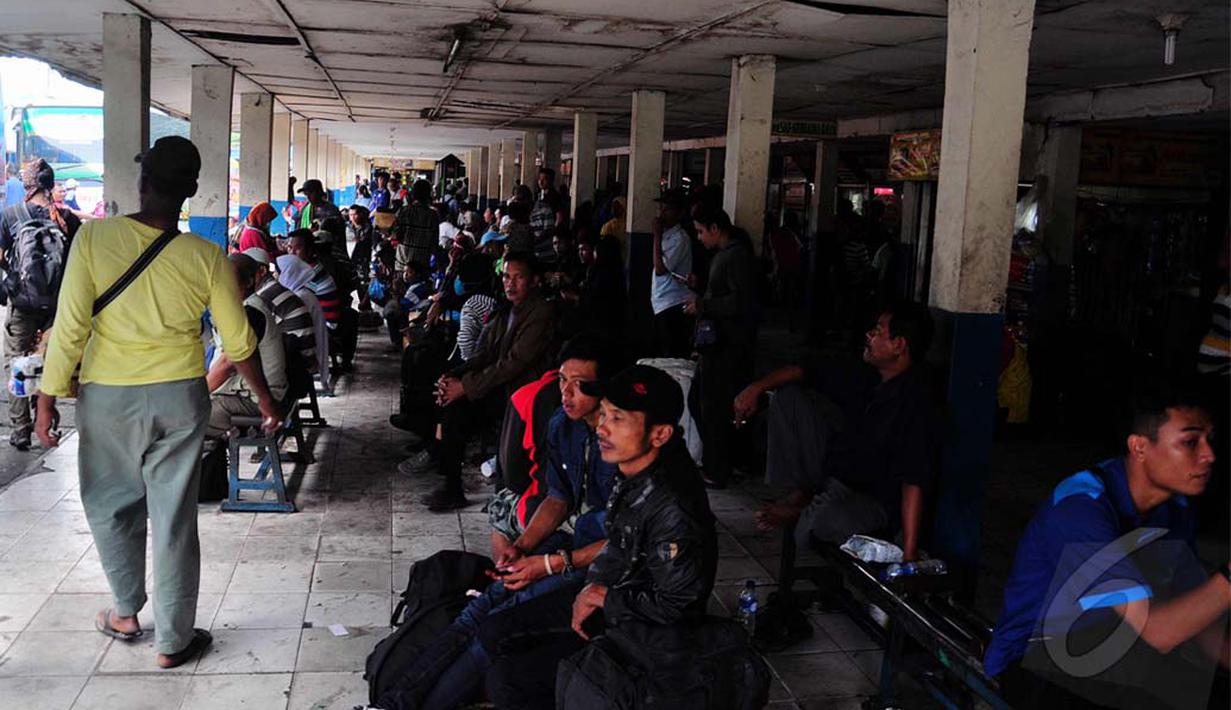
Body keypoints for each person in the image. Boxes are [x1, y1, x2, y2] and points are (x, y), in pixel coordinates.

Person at [35, 136, 279, 669]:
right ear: (191, 191)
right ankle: (173, 640)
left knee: (109, 504)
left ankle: (125, 611)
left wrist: (47, 396)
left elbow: (72, 327)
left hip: (108, 400)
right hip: (179, 397)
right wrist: (265, 402)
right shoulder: (207, 256)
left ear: (141, 182)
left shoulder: (95, 239)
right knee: (173, 519)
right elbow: (238, 342)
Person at [374, 334, 622, 710]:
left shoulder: (627, 442)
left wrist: (549, 564)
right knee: (478, 608)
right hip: (567, 545)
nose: (567, 393)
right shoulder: (563, 423)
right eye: (561, 381)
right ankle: (393, 704)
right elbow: (558, 497)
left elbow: (631, 539)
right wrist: (524, 547)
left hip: (601, 563)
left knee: (498, 619)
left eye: (581, 385)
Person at [482, 364, 718, 708]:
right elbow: (619, 544)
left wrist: (601, 597)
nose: (603, 428)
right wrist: (587, 586)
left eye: (619, 418)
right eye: (604, 413)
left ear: (660, 434)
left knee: (509, 680)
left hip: (646, 631)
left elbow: (679, 606)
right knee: (495, 633)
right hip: (615, 599)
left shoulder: (674, 505)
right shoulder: (634, 468)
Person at [984, 385, 1226, 709]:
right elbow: (1157, 630)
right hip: (1036, 660)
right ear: (1139, 447)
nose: (1209, 455)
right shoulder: (1081, 510)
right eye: (1190, 442)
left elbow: (1197, 616)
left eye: (1210, 440)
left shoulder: (1174, 509)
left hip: (1116, 646)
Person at [736, 303, 939, 561]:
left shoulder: (916, 399)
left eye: (877, 331)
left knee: (817, 525)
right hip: (835, 475)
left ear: (899, 345)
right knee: (788, 397)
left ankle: (803, 512)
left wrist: (909, 553)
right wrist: (755, 388)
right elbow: (804, 369)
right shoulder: (868, 372)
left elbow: (914, 481)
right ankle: (803, 496)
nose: (869, 335)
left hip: (872, 499)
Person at [401, 253, 558, 511]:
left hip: (525, 392)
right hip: (502, 385)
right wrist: (456, 375)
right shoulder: (507, 309)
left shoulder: (541, 312)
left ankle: (442, 460)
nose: (510, 283)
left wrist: (466, 387)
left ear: (534, 281)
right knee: (447, 395)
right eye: (507, 276)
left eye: (519, 278)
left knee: (457, 405)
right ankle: (445, 472)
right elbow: (485, 353)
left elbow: (513, 363)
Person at [0, 158, 82, 449]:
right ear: (50, 184)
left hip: (22, 303)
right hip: (57, 304)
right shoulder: (67, 218)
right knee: (48, 359)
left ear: (27, 185)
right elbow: (77, 264)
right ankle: (44, 414)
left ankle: (21, 427)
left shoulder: (11, 216)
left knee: (18, 361)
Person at [684, 205, 757, 488]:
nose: (700, 238)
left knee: (711, 408)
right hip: (716, 344)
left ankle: (718, 468)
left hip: (727, 345)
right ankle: (724, 462)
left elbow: (741, 302)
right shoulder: (724, 256)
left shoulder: (736, 256)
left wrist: (705, 304)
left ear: (715, 229)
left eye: (701, 231)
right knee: (700, 402)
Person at [206, 254, 288, 437]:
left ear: (249, 282)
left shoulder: (251, 313)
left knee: (187, 418)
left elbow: (228, 364)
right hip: (255, 393)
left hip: (259, 399)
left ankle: (222, 442)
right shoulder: (246, 308)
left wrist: (198, 393)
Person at [246, 247, 316, 366]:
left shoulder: (265, 297)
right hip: (305, 358)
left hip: (297, 363)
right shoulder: (275, 290)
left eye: (244, 271)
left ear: (262, 271)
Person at [277, 253, 332, 395]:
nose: (276, 277)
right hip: (309, 351)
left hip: (308, 358)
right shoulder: (303, 293)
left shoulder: (299, 297)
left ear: (288, 273)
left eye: (278, 273)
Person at [651, 189, 694, 358]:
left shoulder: (680, 238)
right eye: (662, 207)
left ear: (679, 213)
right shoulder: (667, 235)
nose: (662, 212)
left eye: (667, 209)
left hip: (674, 302)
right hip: (662, 302)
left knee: (673, 355)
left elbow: (660, 269)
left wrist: (656, 235)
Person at [395, 179, 438, 270]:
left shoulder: (404, 211)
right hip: (422, 264)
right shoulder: (433, 215)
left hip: (403, 263)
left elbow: (396, 235)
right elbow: (434, 242)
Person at [529, 167, 567, 253]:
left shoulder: (555, 197)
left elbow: (559, 217)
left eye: (545, 179)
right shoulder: (538, 195)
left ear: (551, 181)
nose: (541, 182)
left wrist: (553, 231)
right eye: (539, 179)